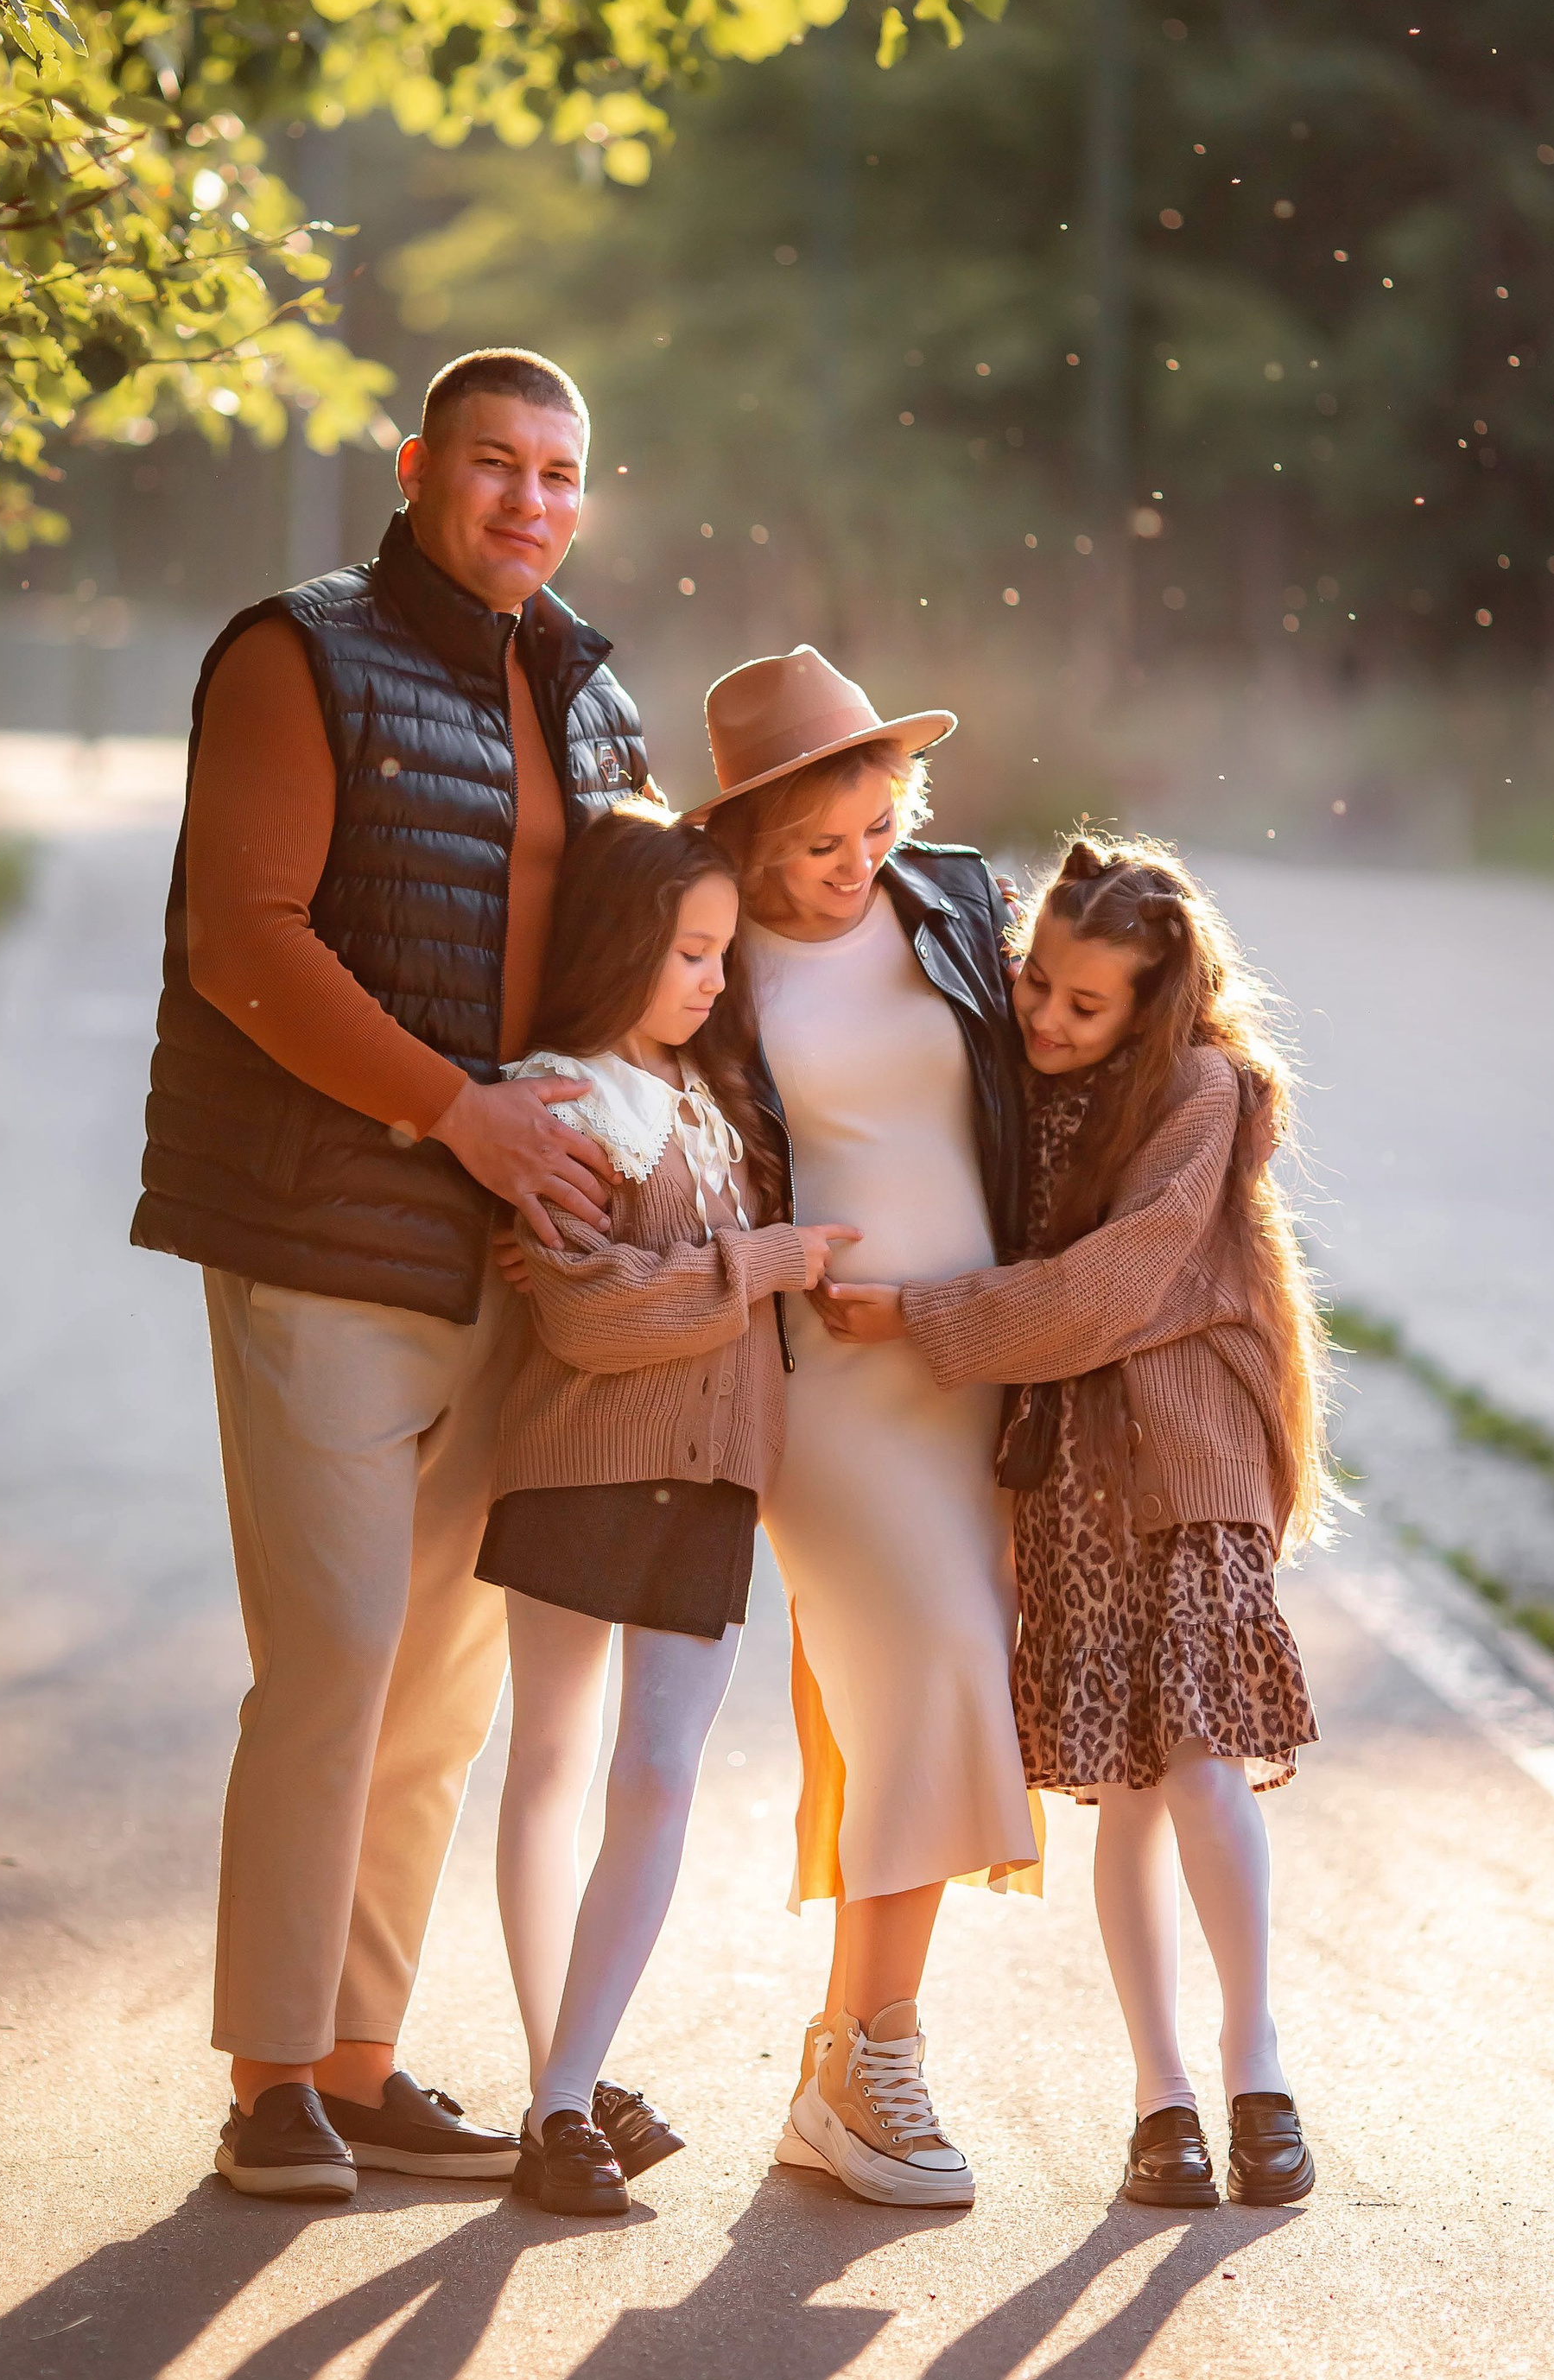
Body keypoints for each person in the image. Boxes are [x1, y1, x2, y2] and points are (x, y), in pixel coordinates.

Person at [130, 346, 655, 2200]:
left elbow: (637, 950)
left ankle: (357, 2060)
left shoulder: (591, 696)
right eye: (495, 464)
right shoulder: (297, 652)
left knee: (439, 1671)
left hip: (516, 1253)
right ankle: (267, 2069)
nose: (528, 499)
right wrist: (460, 1115)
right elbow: (242, 945)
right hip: (329, 1223)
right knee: (338, 1647)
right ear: (420, 465)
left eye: (560, 473)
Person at [820, 834, 1328, 2211]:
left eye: (1083, 1004)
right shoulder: (1014, 1076)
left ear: (1152, 1007)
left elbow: (1112, 1285)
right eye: (1036, 982)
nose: (1045, 1015)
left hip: (1190, 1457)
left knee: (1205, 1761)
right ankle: (1160, 2098)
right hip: (1069, 1477)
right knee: (1131, 1789)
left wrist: (927, 1318)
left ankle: (1254, 2064)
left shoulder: (1200, 1093)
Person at [687, 646, 1039, 2211]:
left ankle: (844, 2062)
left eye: (879, 831)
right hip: (824, 1383)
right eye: (819, 849)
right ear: (745, 843)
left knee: (906, 1692)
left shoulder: (958, 904)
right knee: (934, 1664)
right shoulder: (702, 951)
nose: (855, 870)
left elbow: (1073, 1065)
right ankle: (877, 2054)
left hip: (977, 1368)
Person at [477, 805, 861, 2216]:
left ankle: (570, 2080)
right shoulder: (563, 1097)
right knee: (554, 1762)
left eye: (720, 953)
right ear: (625, 943)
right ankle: (559, 2090)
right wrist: (760, 1263)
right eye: (689, 953)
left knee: (661, 1775)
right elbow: (586, 1322)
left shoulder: (712, 1105)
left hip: (713, 1482)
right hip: (579, 1462)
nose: (712, 979)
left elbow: (664, 1297)